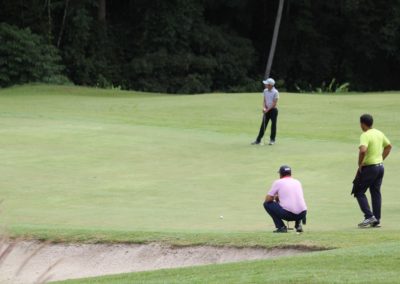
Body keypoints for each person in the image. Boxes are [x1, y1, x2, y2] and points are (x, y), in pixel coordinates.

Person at [352, 114, 392, 228]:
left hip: (370, 168)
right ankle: (376, 220)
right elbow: (389, 146)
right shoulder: (379, 133)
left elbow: (363, 150)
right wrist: (381, 159)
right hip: (380, 167)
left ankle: (369, 216)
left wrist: (360, 164)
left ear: (362, 124)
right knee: (375, 193)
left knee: (359, 192)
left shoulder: (365, 135)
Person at [263, 165, 307, 233]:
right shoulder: (297, 182)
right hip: (303, 214)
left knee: (266, 204)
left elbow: (268, 199)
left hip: (289, 215)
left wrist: (276, 197)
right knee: (296, 203)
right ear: (290, 173)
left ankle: (281, 227)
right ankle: (298, 225)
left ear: (280, 174)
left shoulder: (278, 182)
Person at [251, 78, 279, 145]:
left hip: (273, 110)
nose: (265, 85)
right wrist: (264, 108)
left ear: (270, 85)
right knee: (263, 125)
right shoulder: (265, 91)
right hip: (266, 110)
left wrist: (267, 110)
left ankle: (272, 140)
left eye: (266, 84)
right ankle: (258, 140)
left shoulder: (275, 92)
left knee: (273, 125)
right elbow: (264, 100)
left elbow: (274, 103)